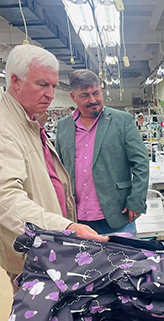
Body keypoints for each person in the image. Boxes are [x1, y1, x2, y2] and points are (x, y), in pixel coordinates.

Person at [0, 45, 107, 292]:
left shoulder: (29, 120)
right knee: (38, 312)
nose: (50, 94)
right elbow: (5, 199)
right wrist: (64, 227)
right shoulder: (5, 128)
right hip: (34, 252)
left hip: (49, 245)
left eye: (53, 86)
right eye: (42, 84)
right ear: (15, 81)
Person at [56, 70, 149, 235]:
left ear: (101, 89)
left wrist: (136, 200)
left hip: (118, 215)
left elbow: (141, 162)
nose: (93, 100)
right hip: (77, 219)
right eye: (85, 95)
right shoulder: (63, 126)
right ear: (73, 96)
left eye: (96, 93)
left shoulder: (122, 121)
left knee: (124, 253)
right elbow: (58, 169)